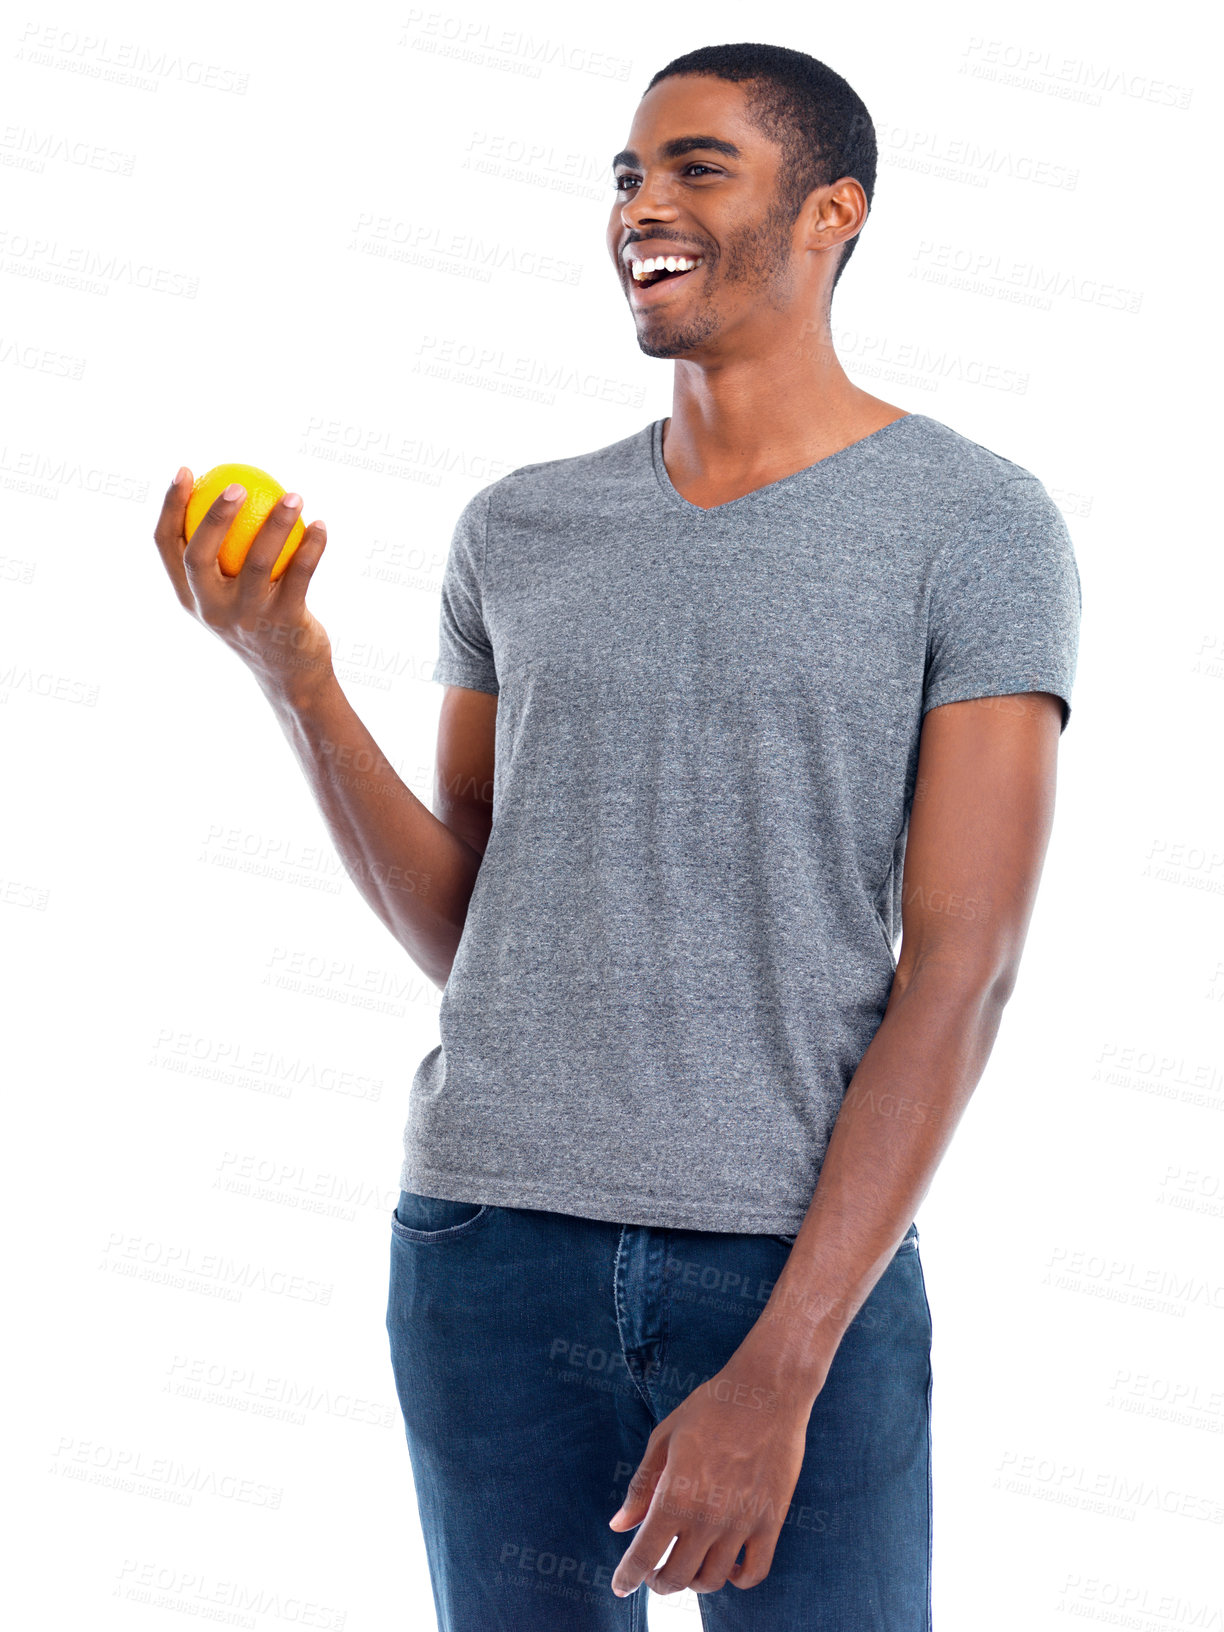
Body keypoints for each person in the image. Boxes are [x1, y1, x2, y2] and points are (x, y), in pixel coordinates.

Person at [154, 40, 1081, 1632]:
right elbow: (477, 930)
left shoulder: (975, 525)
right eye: (626, 176)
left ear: (830, 213)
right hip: (488, 1253)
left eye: (697, 167)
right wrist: (293, 676)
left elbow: (965, 972)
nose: (641, 206)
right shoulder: (518, 527)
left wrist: (780, 1369)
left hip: (797, 1273)